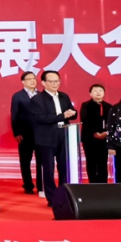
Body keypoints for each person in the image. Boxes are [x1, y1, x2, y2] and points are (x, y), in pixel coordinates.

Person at [30, 70, 78, 206]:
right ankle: (51, 198)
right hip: (46, 137)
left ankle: (64, 195)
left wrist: (72, 113)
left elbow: (72, 113)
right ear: (43, 83)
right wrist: (62, 116)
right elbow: (40, 118)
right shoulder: (36, 99)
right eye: (51, 81)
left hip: (64, 134)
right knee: (48, 169)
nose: (55, 84)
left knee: (64, 167)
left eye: (57, 81)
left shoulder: (64, 96)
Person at [11, 71, 41, 194]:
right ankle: (28, 185)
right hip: (25, 134)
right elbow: (14, 115)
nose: (32, 81)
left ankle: (41, 185)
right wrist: (16, 132)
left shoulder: (41, 95)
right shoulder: (18, 96)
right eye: (29, 79)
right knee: (25, 161)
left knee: (42, 161)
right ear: (23, 82)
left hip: (41, 134)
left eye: (34, 78)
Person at [80, 84, 111, 184]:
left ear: (104, 93)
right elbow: (85, 120)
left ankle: (103, 184)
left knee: (103, 162)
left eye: (100, 90)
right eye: (95, 91)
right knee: (91, 161)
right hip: (90, 139)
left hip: (104, 138)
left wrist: (106, 132)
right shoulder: (86, 105)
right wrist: (94, 132)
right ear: (90, 93)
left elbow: (111, 121)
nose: (98, 92)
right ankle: (93, 184)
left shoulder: (108, 106)